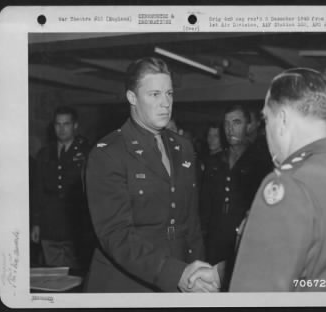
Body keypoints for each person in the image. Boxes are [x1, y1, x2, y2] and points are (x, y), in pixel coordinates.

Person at [188, 68, 326, 292]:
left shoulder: (288, 187)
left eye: (266, 119)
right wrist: (220, 273)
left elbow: (254, 295)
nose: (265, 130)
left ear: (282, 119)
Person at [84, 57, 216, 293]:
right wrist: (176, 273)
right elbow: (116, 236)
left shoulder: (182, 147)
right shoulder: (109, 153)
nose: (165, 103)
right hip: (128, 284)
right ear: (132, 98)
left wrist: (198, 274)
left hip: (180, 279)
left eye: (169, 93)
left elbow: (191, 224)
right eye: (154, 94)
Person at [199, 104, 272, 285]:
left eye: (237, 122)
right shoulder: (214, 163)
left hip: (244, 244)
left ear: (248, 126)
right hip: (213, 244)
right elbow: (204, 206)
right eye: (227, 124)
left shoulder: (261, 163)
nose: (230, 128)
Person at [31, 106, 90, 269]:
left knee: (77, 274)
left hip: (76, 224)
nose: (62, 129)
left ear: (75, 126)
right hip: (49, 224)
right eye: (58, 124)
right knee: (54, 274)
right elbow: (38, 190)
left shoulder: (87, 152)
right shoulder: (44, 153)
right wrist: (36, 223)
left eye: (66, 124)